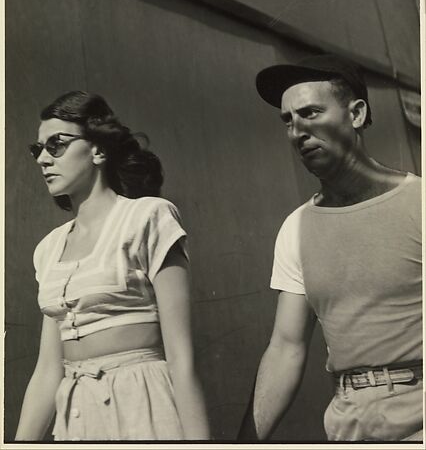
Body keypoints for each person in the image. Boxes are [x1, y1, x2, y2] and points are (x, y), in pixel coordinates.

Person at [238, 53, 422, 442]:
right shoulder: (296, 228)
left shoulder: (419, 202)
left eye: (310, 113)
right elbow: (286, 348)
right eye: (288, 121)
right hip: (349, 428)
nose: (297, 131)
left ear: (355, 114)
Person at [15, 91, 210, 441]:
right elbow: (47, 370)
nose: (43, 158)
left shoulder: (148, 216)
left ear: (98, 150)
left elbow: (182, 357)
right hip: (75, 418)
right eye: (38, 149)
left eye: (56, 144)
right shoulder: (48, 249)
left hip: (144, 406)